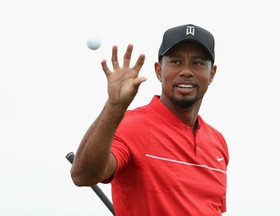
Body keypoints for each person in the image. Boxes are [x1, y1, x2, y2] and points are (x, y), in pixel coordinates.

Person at [70, 24, 229, 215]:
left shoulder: (218, 142)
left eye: (197, 63)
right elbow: (83, 175)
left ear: (211, 74)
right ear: (158, 70)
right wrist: (114, 108)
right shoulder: (132, 126)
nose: (186, 71)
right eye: (176, 62)